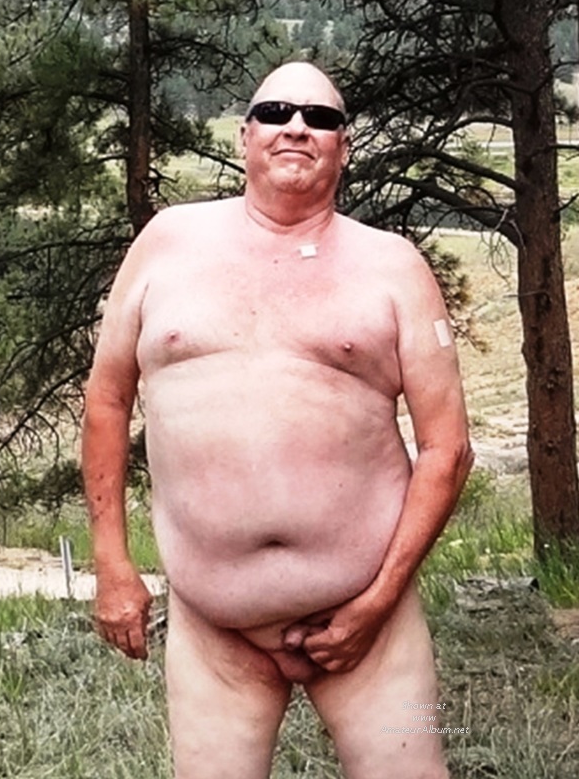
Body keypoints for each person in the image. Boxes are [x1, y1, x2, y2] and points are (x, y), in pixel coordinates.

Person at [82, 61, 474, 779]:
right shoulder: (166, 243)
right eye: (276, 112)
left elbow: (448, 448)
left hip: (373, 627)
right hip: (213, 630)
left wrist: (378, 601)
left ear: (343, 147)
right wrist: (112, 565)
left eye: (321, 118)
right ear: (245, 136)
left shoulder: (395, 267)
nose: (297, 127)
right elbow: (107, 400)